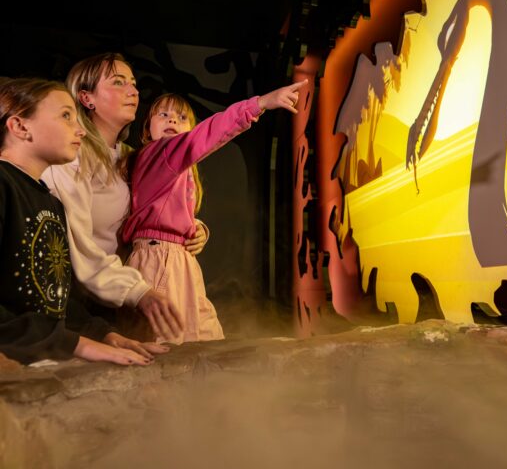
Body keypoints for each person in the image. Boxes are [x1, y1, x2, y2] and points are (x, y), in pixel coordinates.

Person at [121, 81, 306, 343]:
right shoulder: (157, 153)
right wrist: (260, 103)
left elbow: (163, 211)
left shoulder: (177, 169)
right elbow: (210, 132)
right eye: (163, 114)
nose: (172, 119)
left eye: (182, 117)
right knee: (167, 348)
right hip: (159, 262)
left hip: (180, 261)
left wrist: (196, 228)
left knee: (207, 337)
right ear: (147, 131)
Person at [0, 77, 167, 365]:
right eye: (66, 116)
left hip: (44, 362)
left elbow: (51, 295)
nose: (80, 130)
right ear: (20, 126)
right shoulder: (4, 186)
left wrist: (102, 334)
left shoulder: (51, 202)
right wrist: (78, 345)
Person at [42, 53, 205, 341]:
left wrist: (195, 229)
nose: (133, 91)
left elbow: (158, 209)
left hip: (129, 297)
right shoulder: (72, 159)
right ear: (87, 98)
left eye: (133, 83)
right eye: (118, 82)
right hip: (82, 303)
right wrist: (138, 292)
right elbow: (79, 248)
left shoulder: (133, 158)